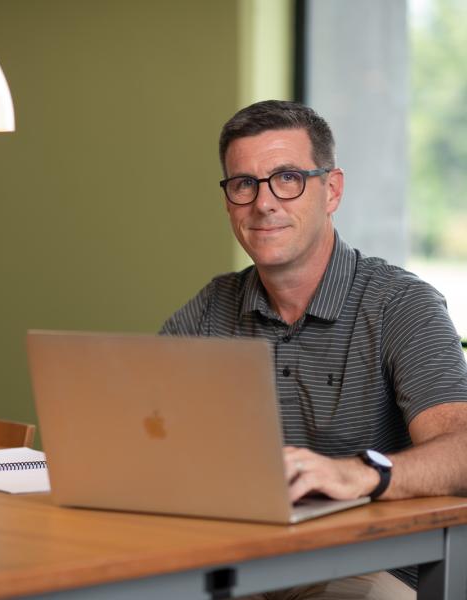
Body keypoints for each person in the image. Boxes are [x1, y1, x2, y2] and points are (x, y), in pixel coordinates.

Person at [160, 100, 467, 600]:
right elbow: (144, 434)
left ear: (332, 190)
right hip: (244, 561)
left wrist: (360, 473)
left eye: (288, 178)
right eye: (244, 184)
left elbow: (462, 449)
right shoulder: (210, 308)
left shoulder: (401, 305)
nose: (264, 204)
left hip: (372, 567)